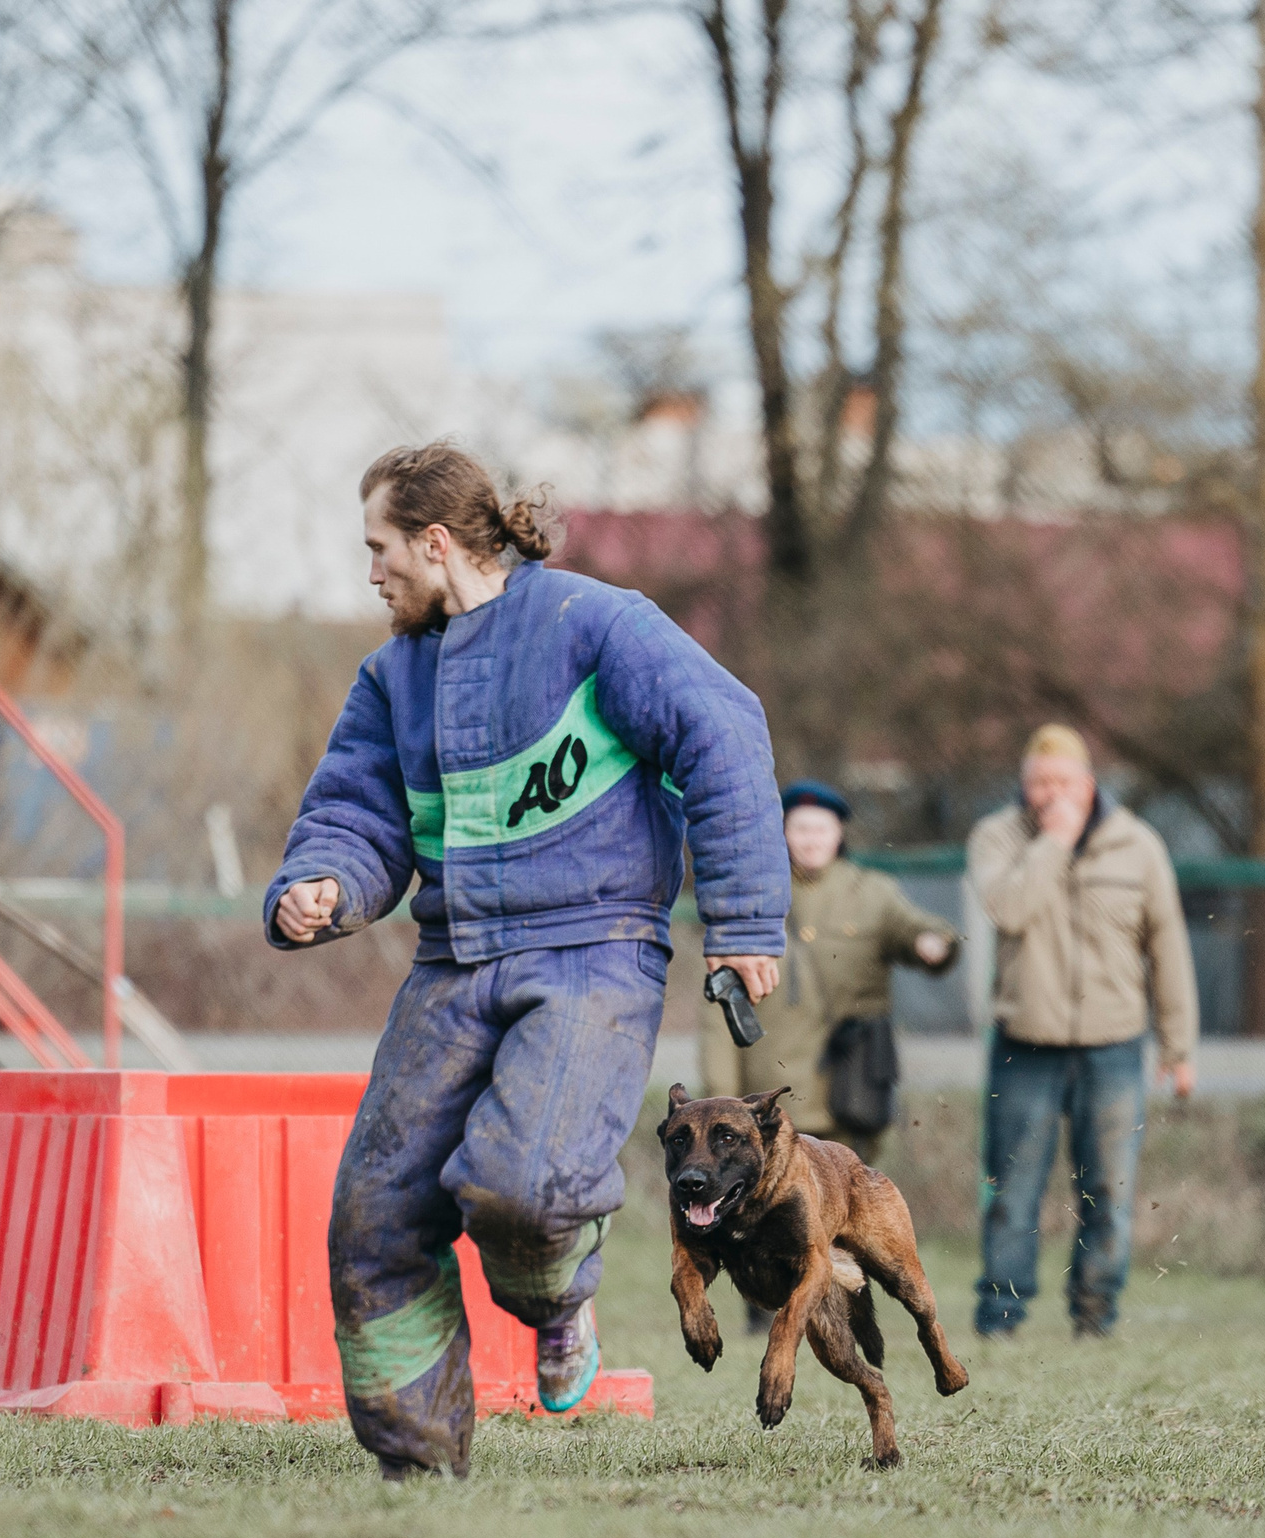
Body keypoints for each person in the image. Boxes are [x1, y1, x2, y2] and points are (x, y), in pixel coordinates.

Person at [267, 441, 787, 1480]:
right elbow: (354, 814)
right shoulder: (391, 679)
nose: (369, 572)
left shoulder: (594, 626)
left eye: (378, 549)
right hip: (453, 963)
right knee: (375, 1216)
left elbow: (721, 734)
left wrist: (741, 919)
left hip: (593, 950)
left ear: (435, 541)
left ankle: (560, 1301)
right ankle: (416, 1470)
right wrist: (322, 882)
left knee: (526, 1187)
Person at [967, 724, 1197, 1340]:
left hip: (1114, 1047)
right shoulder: (996, 838)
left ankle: (1095, 1317)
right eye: (1039, 783)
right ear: (1024, 785)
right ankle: (1000, 1320)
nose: (1051, 795)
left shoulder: (1138, 845)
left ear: (1090, 784)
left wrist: (1178, 1047)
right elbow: (1009, 910)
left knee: (1108, 1194)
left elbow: (1167, 944)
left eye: (1063, 783)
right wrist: (1054, 843)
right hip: (1024, 1044)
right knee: (1012, 1194)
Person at [700, 779, 958, 1166]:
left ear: (838, 833)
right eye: (800, 828)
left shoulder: (872, 893)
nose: (810, 840)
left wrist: (934, 943)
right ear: (783, 832)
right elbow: (719, 1008)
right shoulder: (753, 898)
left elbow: (916, 929)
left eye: (820, 829)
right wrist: (722, 1097)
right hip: (770, 1100)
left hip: (849, 1094)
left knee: (849, 1215)